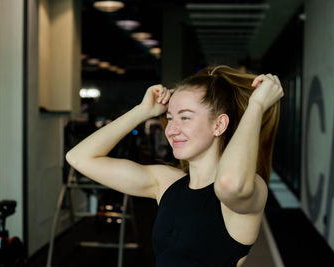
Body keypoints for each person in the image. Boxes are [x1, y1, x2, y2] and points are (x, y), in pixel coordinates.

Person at [65, 65, 283, 267]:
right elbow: (79, 158)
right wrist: (142, 111)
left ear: (219, 125)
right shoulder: (166, 182)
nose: (171, 130)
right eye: (169, 118)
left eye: (185, 118)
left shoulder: (251, 188)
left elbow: (229, 184)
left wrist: (256, 106)